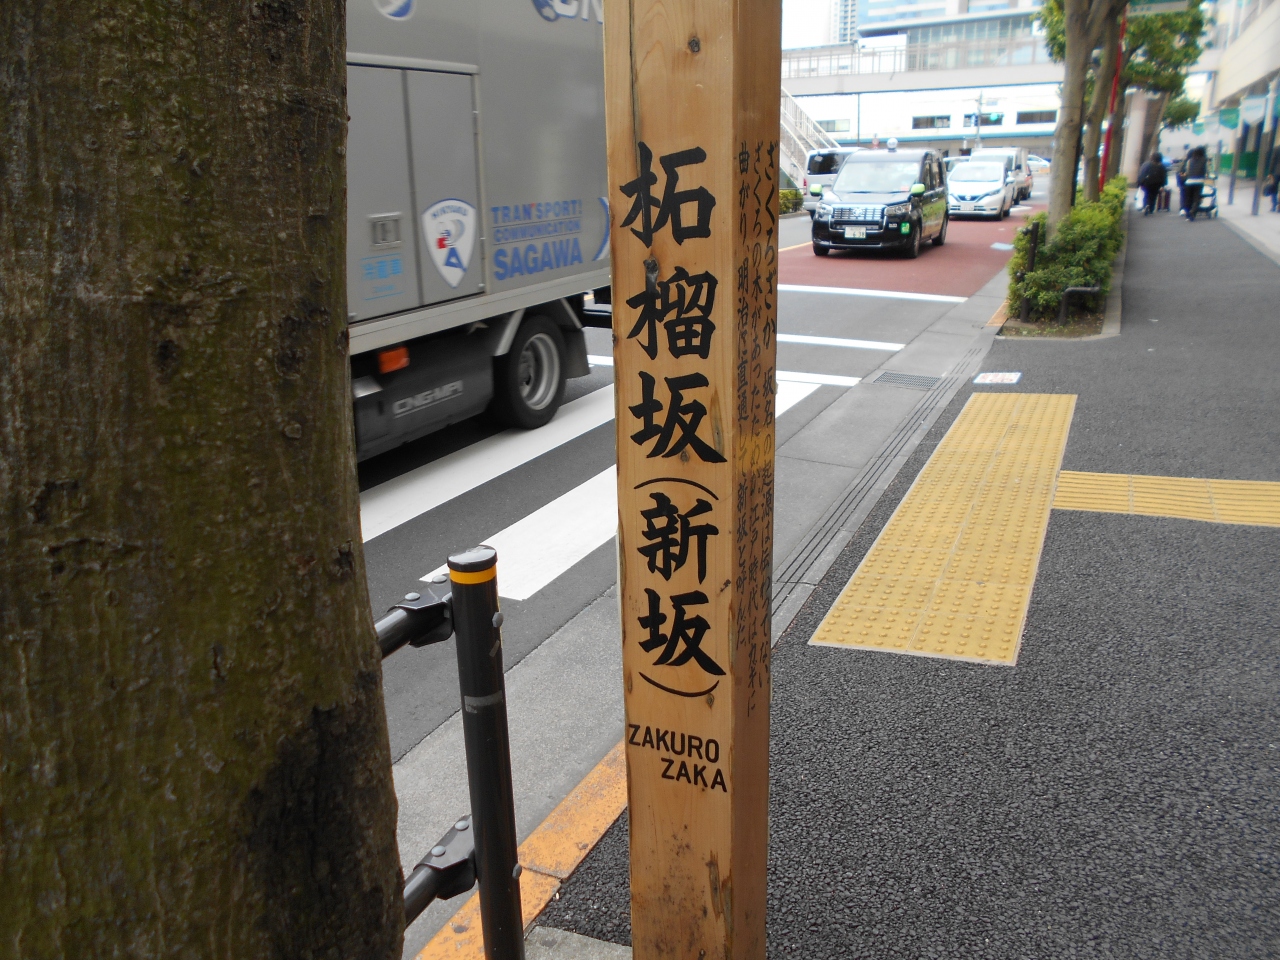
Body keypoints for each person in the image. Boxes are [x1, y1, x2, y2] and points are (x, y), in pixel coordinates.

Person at [1184, 145, 1208, 222]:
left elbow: (1187, 171)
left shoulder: (1190, 160)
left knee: (1189, 198)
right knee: (1196, 198)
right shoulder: (1204, 160)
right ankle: (1193, 212)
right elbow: (1206, 171)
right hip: (1199, 181)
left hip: (1189, 181)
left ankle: (1188, 213)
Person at [1176, 143, 1191, 216]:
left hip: (1183, 181)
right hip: (1187, 181)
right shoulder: (1191, 162)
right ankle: (1187, 208)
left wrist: (1178, 184)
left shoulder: (1184, 162)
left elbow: (1179, 172)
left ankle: (1183, 208)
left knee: (1183, 194)